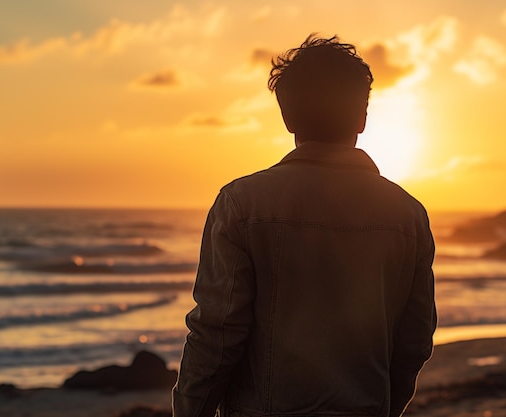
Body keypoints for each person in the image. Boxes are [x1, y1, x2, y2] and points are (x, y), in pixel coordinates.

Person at [173, 34, 436, 417]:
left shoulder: (241, 204)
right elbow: (414, 341)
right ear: (362, 117)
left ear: (287, 117)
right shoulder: (408, 215)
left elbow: (216, 332)